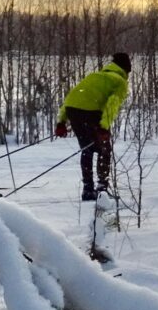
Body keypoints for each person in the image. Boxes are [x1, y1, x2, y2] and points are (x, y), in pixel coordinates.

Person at [55, 52, 132, 201]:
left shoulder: (94, 76)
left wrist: (61, 122)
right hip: (91, 112)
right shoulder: (120, 82)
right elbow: (113, 105)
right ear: (126, 70)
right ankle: (102, 189)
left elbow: (72, 97)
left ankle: (88, 190)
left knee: (87, 149)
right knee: (104, 150)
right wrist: (104, 128)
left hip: (73, 109)